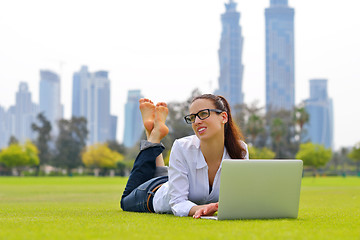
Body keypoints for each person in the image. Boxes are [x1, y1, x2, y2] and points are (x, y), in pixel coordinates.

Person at [120, 94, 249, 218]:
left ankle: (153, 132)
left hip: (175, 181)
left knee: (167, 177)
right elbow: (178, 202)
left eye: (204, 114)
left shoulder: (240, 150)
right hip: (155, 192)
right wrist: (201, 209)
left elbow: (239, 196)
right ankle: (153, 136)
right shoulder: (182, 147)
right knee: (126, 200)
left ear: (224, 117)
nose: (197, 121)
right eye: (192, 117)